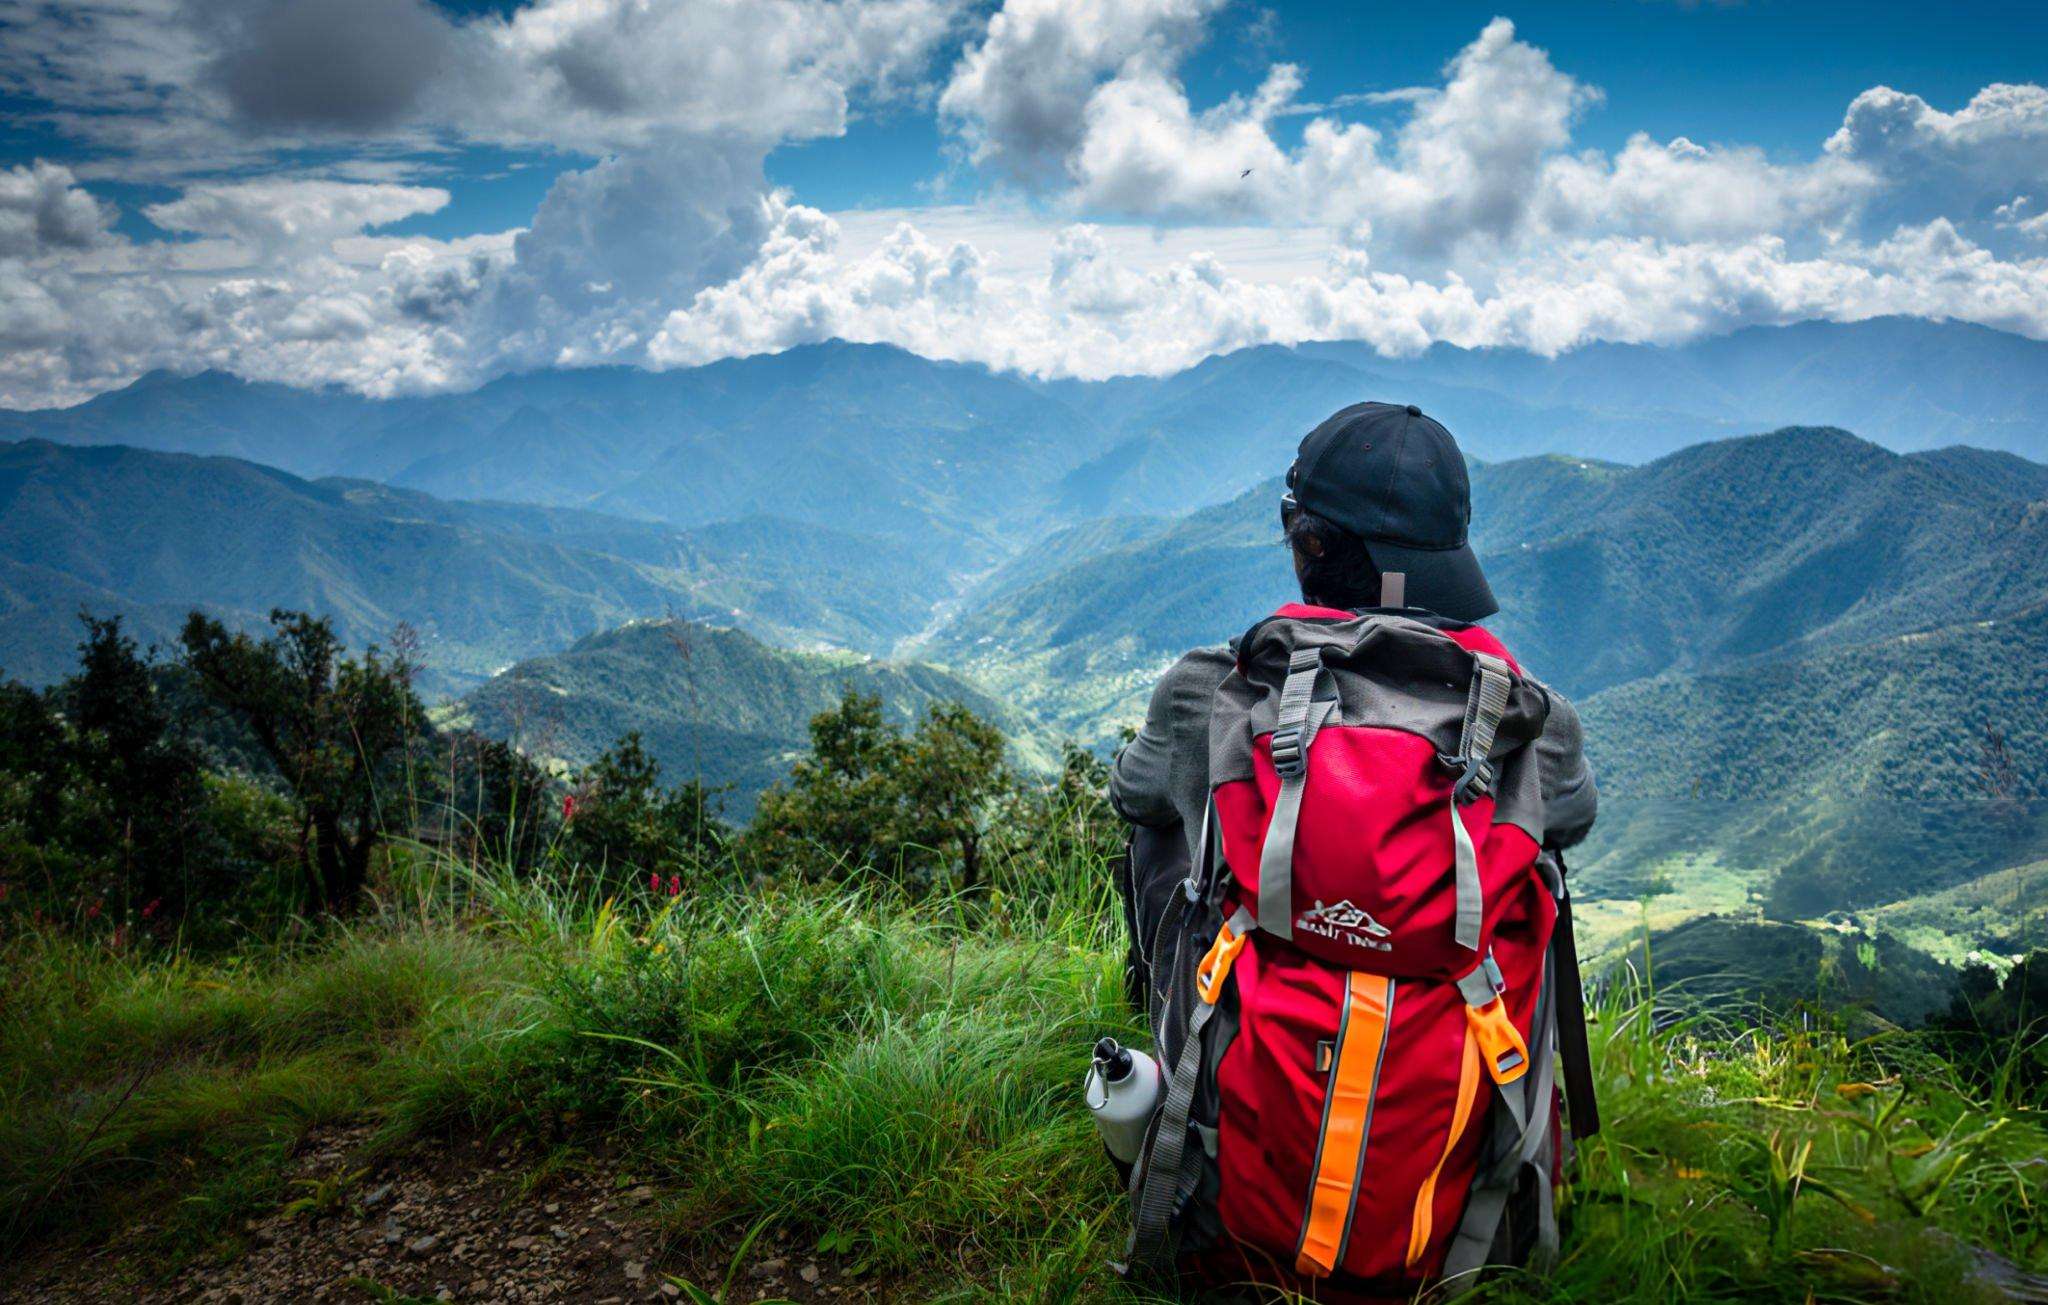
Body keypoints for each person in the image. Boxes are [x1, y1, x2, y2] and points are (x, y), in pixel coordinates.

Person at [1108, 401, 1597, 989]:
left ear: (1310, 544)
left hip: (1250, 1062)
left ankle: (1176, 1044)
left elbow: (1132, 795)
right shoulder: (1534, 718)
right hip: (1456, 1068)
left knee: (1155, 831)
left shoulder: (1209, 689)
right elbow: (1571, 818)